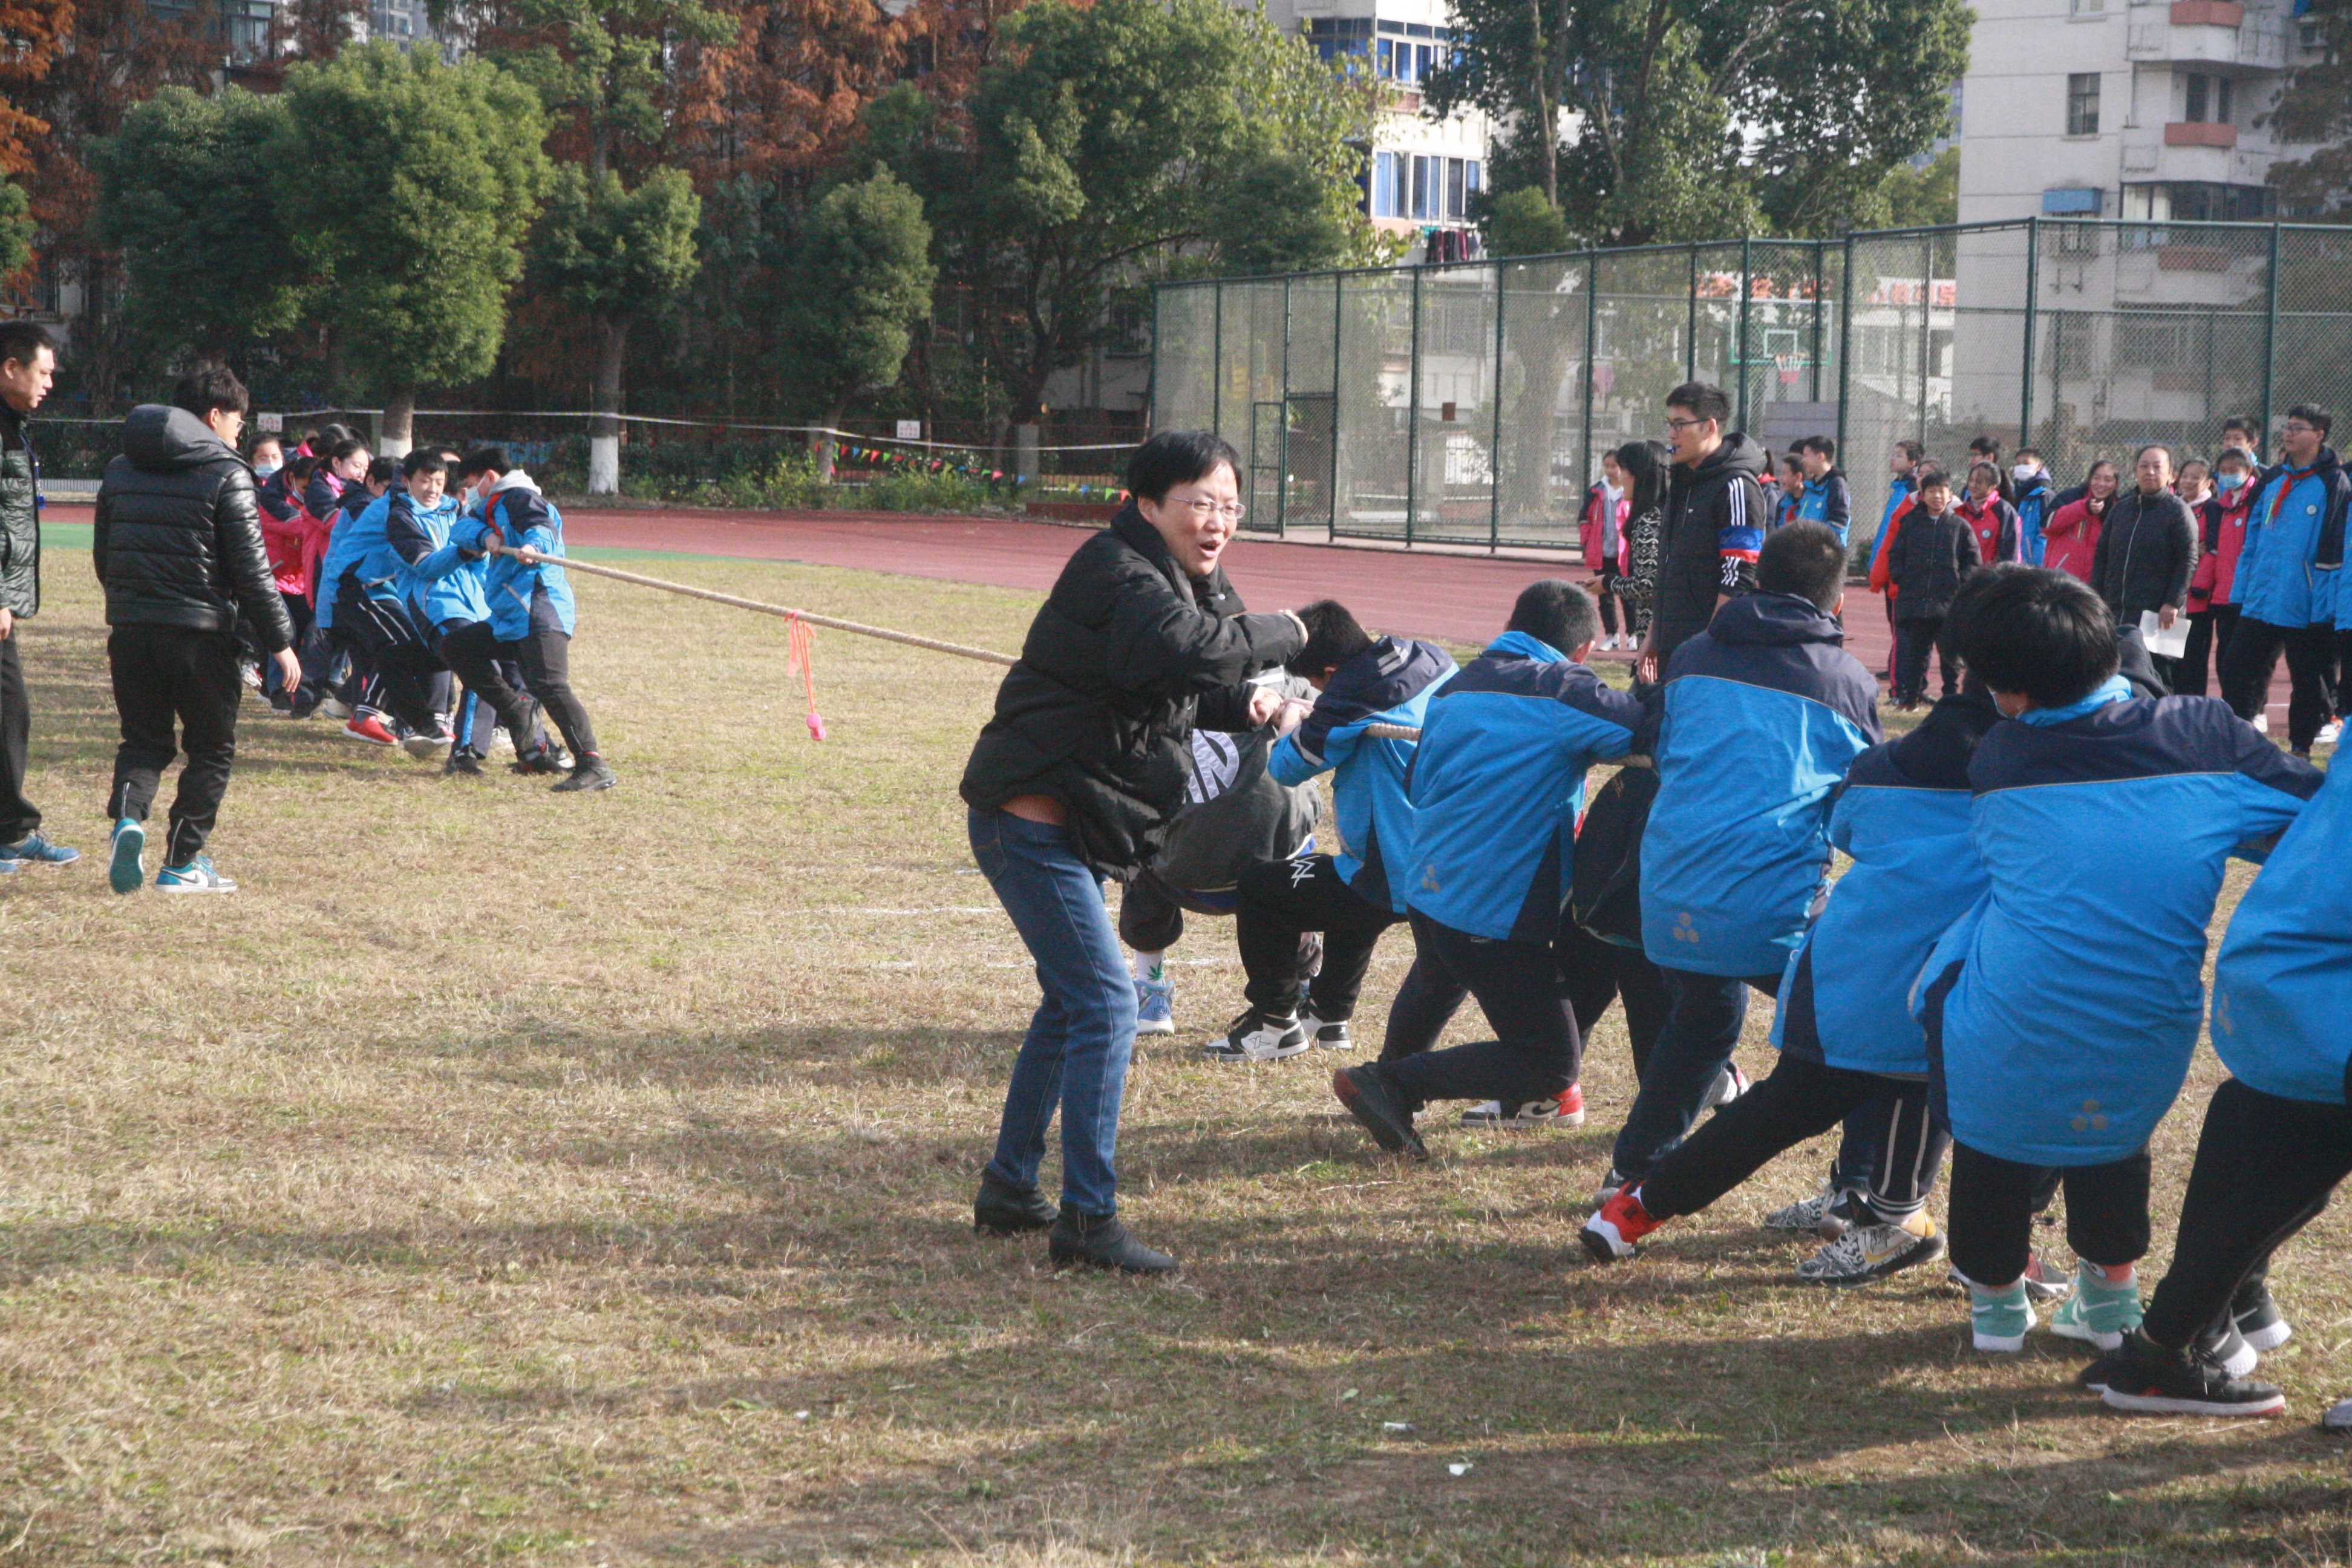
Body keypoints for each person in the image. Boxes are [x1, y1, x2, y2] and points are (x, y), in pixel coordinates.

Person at [1584, 570, 2028, 1284]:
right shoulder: (2031, 766)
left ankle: (1631, 1195)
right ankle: (1897, 1217)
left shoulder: (1701, 656)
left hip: (1732, 917)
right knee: (1946, 1091)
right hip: (1896, 971)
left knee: (1751, 1069)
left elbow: (1848, 819)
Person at [1919, 568, 2321, 1355]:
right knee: (2112, 1145)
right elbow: (2307, 816)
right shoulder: (2206, 736)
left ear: (2013, 695)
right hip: (2148, 1028)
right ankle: (2110, 1303)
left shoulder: (2000, 758)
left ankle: (1996, 1313)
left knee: (1993, 1152)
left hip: (2002, 1021)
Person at [961, 431, 1304, 1273]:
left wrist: (1251, 705)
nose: (1216, 520)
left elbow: (1181, 683)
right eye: (1199, 502)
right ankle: (1087, 1221)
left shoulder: (1181, 585)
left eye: (1228, 505)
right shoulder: (1116, 569)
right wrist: (1297, 630)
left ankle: (1011, 1188)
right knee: (1110, 1004)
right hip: (1029, 821)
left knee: (1070, 1003)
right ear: (1149, 505)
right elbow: (1177, 650)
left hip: (1074, 824)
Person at [1604, 523, 1883, 1199]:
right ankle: (1863, 1191)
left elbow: (1661, 748)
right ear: (1836, 602)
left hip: (1665, 897)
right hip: (1766, 909)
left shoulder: (1696, 655)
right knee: (1868, 1027)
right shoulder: (1844, 680)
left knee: (1703, 1017)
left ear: (1757, 583)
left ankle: (1631, 1170)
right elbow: (1862, 806)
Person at [1328, 580, 1642, 1158]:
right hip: (1493, 905)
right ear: (1583, 652)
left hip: (1428, 885)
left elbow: (1416, 781)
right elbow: (1644, 729)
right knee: (1551, 1061)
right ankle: (1391, 1083)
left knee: (1437, 975)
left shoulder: (1455, 687)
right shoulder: (1564, 688)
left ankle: (1385, 1082)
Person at [2082, 753, 2351, 1417]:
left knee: (2260, 1137)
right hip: (2324, 980)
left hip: (2285, 966)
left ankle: (2193, 1326)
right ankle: (2173, 1341)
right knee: (2281, 1159)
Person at [1206, 602, 1452, 1063]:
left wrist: (1294, 720)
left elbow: (1286, 767)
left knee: (1262, 888)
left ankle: (1275, 1024)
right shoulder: (1429, 658)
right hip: (1442, 856)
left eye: (1318, 680)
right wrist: (1325, 708)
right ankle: (1327, 1016)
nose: (1318, 689)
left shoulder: (1353, 698)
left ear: (1333, 670)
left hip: (1397, 871)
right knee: (1340, 881)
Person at [92, 363, 299, 894]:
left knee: (142, 740)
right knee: (211, 747)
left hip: (132, 628)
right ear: (213, 416)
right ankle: (182, 862)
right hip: (201, 634)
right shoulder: (227, 473)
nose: (240, 434)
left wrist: (131, 603)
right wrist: (280, 642)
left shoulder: (120, 468)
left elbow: (104, 555)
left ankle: (130, 819)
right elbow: (252, 571)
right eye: (237, 422)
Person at [452, 448, 618, 792]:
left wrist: (534, 547)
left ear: (490, 478)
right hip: (512, 616)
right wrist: (486, 538)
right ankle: (517, 712)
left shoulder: (517, 498)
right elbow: (463, 528)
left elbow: (539, 527)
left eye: (471, 483)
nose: (469, 491)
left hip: (539, 608)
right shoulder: (491, 506)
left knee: (550, 685)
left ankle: (593, 764)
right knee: (458, 647)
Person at [2221, 405, 2346, 758]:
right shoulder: (2272, 479)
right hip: (2262, 599)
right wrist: (2242, 591)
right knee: (2239, 668)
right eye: (2288, 427)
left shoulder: (2334, 483)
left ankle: (2301, 750)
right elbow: (2253, 539)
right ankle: (2242, 741)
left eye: (2299, 428)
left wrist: (2325, 603)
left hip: (2307, 603)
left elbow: (2335, 548)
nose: (2289, 434)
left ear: (2319, 434)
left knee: (2310, 679)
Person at [0, 321, 77, 874]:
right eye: (43, 371)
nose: (49, 382)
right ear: (11, 368)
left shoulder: (13, 425)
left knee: (10, 710)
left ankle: (11, 831)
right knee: (10, 707)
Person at [1636, 382, 1769, 682]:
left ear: (1709, 427)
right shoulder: (1682, 481)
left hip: (1709, 648)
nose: (1671, 434)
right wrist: (1655, 635)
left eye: (1680, 425)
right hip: (1675, 642)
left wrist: (1711, 642)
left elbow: (1739, 572)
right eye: (1669, 424)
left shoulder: (1737, 486)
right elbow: (1669, 567)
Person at [2090, 443, 2197, 687]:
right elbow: (2101, 556)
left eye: (2157, 467)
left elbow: (2188, 559)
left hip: (2161, 614)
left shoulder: (2179, 512)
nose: (2150, 472)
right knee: (2114, 673)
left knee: (2158, 677)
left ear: (2172, 474)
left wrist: (2173, 602)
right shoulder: (2121, 510)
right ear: (2135, 471)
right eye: (2144, 466)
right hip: (2118, 610)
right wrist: (2095, 597)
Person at [1885, 466, 1980, 709]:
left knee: (1950, 655)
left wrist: (1962, 582)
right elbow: (1896, 554)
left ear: (1950, 496)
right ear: (1922, 495)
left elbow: (1973, 560)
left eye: (1942, 492)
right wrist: (1901, 576)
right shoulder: (1911, 524)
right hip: (1916, 601)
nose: (1937, 496)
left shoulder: (1960, 526)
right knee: (1917, 653)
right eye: (1931, 491)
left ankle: (1949, 697)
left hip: (1948, 602)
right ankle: (1910, 698)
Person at [2180, 447, 2255, 702]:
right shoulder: (2173, 506)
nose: (2189, 481)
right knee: (2170, 656)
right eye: (2185, 476)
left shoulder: (2213, 509)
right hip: (2174, 595)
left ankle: (2197, 708)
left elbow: (2213, 550)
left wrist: (2200, 583)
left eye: (2195, 477)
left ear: (2208, 483)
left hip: (2201, 597)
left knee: (2196, 659)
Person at [1581, 452, 1632, 650]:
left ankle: (1633, 634)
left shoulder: (1630, 491)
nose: (1611, 470)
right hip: (1601, 552)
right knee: (1604, 594)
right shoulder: (1596, 491)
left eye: (1615, 466)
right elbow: (1584, 518)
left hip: (1624, 553)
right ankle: (1612, 635)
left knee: (1628, 593)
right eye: (1607, 466)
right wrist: (1587, 541)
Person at [2040, 459, 2115, 583]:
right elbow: (2047, 525)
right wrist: (2083, 509)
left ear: (2116, 484)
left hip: (2094, 585)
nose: (2101, 484)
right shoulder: (2071, 496)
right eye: (2096, 478)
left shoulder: (2118, 509)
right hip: (2060, 580)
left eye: (2108, 480)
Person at [1956, 460, 2022, 566]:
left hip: (1992, 578)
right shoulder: (1962, 510)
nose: (1973, 485)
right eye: (1971, 481)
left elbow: (2010, 552)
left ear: (1993, 486)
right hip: (1967, 577)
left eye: (1979, 482)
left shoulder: (2004, 511)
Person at [1795, 436, 1852, 545]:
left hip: (1823, 555)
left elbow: (1839, 523)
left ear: (1820, 456)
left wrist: (1814, 541)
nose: (1803, 461)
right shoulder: (1810, 486)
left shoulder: (1836, 485)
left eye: (1806, 456)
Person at [2011, 448, 2056, 565]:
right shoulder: (2015, 493)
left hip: (2033, 565)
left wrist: (2037, 563)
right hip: (2016, 561)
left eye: (2026, 463)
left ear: (2039, 466)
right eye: (2018, 464)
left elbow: (2046, 533)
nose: (2021, 467)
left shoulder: (2045, 495)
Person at [1773, 452, 1806, 532]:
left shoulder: (1810, 502)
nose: (1780, 479)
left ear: (1798, 477)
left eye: (1784, 474)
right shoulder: (1782, 504)